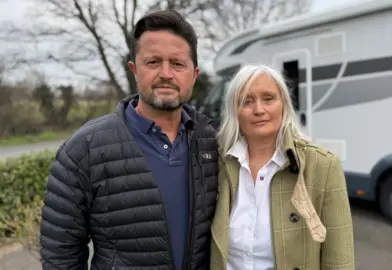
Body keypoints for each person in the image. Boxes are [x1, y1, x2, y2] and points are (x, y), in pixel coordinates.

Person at [39, 10, 219, 269]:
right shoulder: (85, 150)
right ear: (134, 69)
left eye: (177, 63)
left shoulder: (213, 142)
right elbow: (60, 254)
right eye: (153, 62)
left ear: (194, 74)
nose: (166, 73)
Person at [209, 64, 355, 270]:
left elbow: (340, 260)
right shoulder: (218, 162)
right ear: (235, 111)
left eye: (268, 99)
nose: (259, 110)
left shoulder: (323, 165)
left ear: (284, 105)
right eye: (246, 101)